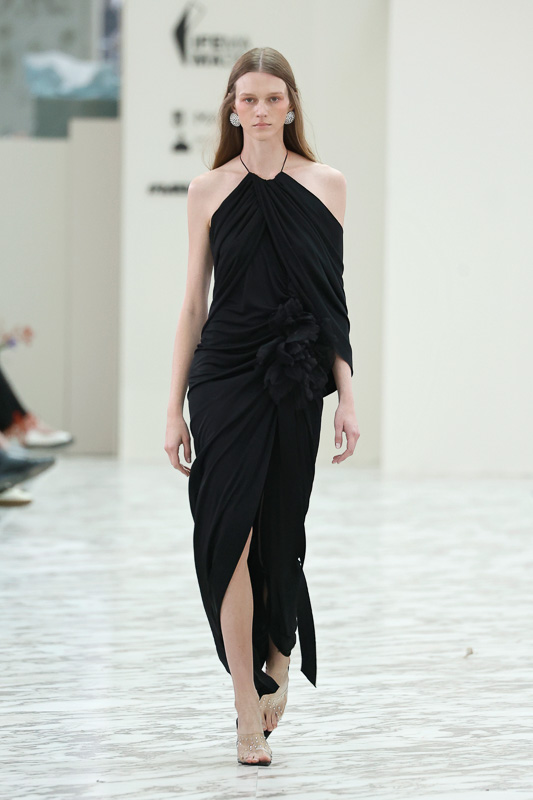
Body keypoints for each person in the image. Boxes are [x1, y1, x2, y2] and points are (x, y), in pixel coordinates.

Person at [164, 47, 360, 767]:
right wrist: (172, 407)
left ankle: (278, 659)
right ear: (231, 108)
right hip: (222, 375)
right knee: (229, 534)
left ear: (291, 105)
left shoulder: (326, 183)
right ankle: (246, 705)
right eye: (247, 98)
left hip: (295, 375)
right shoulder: (206, 189)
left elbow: (331, 301)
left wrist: (347, 396)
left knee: (280, 528)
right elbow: (193, 304)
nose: (260, 110)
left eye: (273, 97)